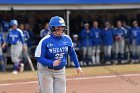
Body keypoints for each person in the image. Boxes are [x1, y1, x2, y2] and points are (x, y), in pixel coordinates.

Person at [35, 16, 84, 93]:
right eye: (58, 28)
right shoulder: (45, 40)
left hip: (60, 71)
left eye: (62, 27)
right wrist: (52, 63)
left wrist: (77, 66)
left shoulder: (67, 39)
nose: (60, 30)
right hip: (45, 70)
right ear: (52, 28)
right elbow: (39, 57)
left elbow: (72, 52)